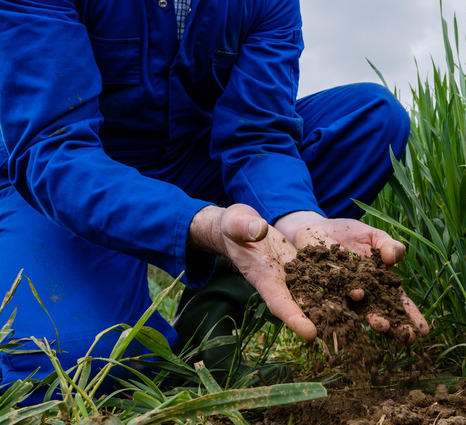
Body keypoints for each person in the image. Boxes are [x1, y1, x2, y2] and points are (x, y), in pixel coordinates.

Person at [0, 0, 429, 403]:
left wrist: (299, 220)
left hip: (189, 160)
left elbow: (259, 134)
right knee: (81, 364)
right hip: (66, 179)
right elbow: (53, 148)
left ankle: (210, 324)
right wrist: (199, 221)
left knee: (370, 118)